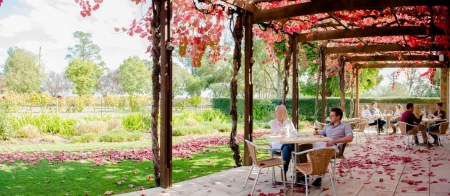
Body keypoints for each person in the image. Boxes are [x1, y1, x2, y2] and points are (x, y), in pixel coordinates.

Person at [312, 107, 354, 187]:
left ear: (338, 117)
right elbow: (321, 134)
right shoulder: (327, 126)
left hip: (335, 148)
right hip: (324, 145)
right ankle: (301, 175)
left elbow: (350, 138)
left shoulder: (345, 126)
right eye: (330, 115)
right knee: (303, 148)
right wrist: (317, 133)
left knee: (322, 153)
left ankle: (319, 176)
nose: (330, 117)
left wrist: (334, 141)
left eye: (332, 116)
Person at [269, 105, 297, 179]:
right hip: (276, 146)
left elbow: (294, 132)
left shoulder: (288, 122)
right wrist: (281, 132)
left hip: (286, 145)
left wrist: (290, 134)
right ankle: (298, 170)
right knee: (292, 147)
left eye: (276, 111)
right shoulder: (273, 122)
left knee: (287, 148)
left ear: (281, 112)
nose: (275, 112)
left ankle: (283, 171)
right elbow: (275, 132)